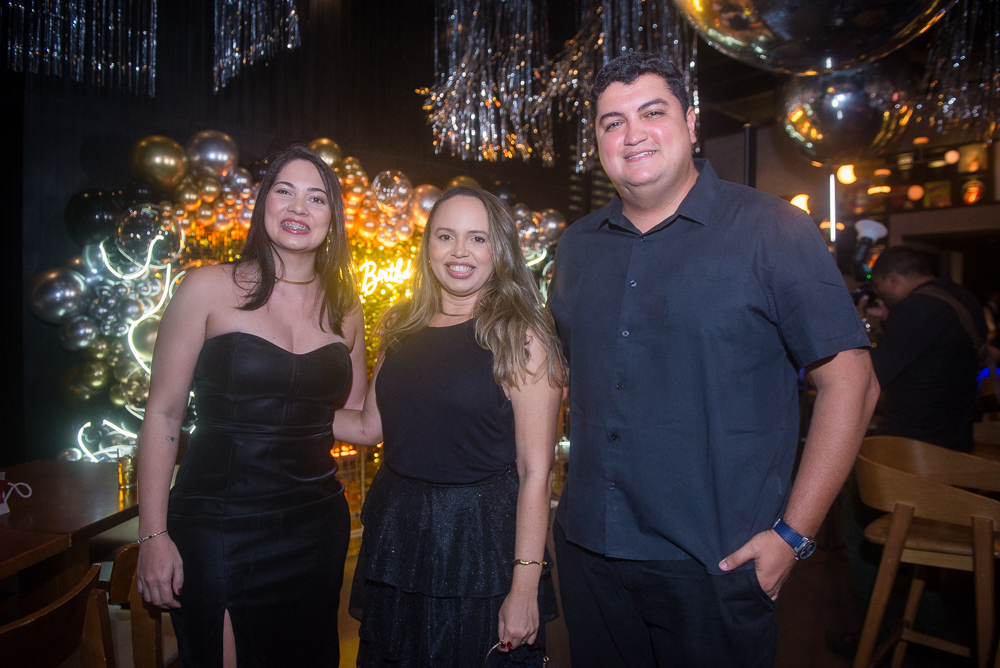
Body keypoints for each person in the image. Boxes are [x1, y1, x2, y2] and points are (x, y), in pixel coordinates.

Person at [547, 52, 880, 667]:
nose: (632, 134)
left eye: (653, 112)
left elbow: (852, 385)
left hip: (716, 564)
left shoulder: (773, 230)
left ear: (692, 122)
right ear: (597, 141)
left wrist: (794, 535)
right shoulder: (576, 247)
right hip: (590, 551)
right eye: (612, 122)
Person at [135, 145, 367, 667]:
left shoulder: (345, 307)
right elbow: (163, 415)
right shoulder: (207, 287)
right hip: (218, 523)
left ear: (333, 220)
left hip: (315, 527)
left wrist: (416, 360)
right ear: (264, 205)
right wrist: (153, 533)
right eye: (285, 191)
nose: (299, 207)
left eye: (317, 198)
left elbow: (355, 419)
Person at [334, 186, 565, 667]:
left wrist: (525, 587)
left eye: (478, 238)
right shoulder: (399, 326)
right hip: (399, 533)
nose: (460, 251)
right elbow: (369, 427)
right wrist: (278, 406)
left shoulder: (522, 338)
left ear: (499, 249)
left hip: (479, 543)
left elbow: (535, 473)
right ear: (428, 247)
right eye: (446, 236)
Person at [858, 245, 988, 452]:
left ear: (893, 279)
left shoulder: (916, 308)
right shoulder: (962, 297)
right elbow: (931, 357)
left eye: (879, 286)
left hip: (914, 446)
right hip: (957, 440)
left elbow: (871, 375)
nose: (880, 294)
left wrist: (857, 328)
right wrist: (889, 321)